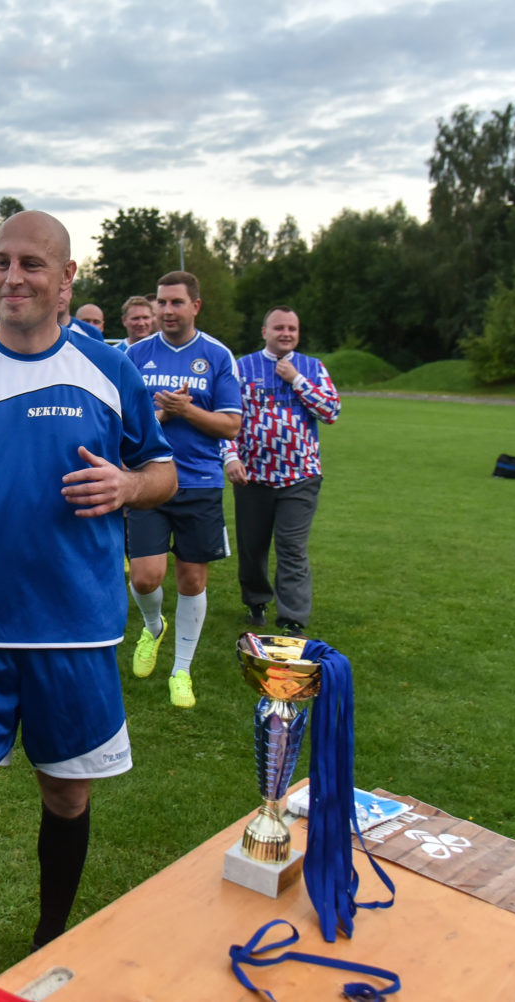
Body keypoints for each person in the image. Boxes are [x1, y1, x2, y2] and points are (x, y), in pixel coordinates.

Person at [0, 210, 175, 1002]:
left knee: (67, 793)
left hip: (76, 632)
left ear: (65, 278)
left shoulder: (108, 369)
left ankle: (51, 938)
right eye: (1, 262)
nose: (11, 277)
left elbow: (163, 473)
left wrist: (128, 484)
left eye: (30, 263)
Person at [124, 272, 243, 708]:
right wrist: (162, 415)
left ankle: (181, 670)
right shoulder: (135, 355)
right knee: (144, 577)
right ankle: (154, 627)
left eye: (176, 302)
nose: (167, 310)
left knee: (192, 579)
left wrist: (187, 410)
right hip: (149, 479)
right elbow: (124, 420)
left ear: (196, 306)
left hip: (200, 483)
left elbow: (230, 424)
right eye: (161, 302)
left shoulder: (217, 355)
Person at [222, 305, 340, 635]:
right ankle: (256, 601)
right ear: (265, 332)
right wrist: (230, 457)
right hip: (253, 477)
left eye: (292, 328)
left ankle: (292, 619)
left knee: (292, 548)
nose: (286, 333)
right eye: (279, 328)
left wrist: (297, 380)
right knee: (252, 547)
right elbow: (226, 417)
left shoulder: (312, 368)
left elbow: (331, 411)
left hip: (301, 476)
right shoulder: (242, 368)